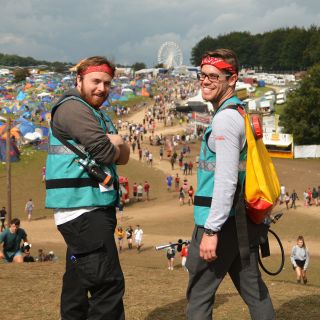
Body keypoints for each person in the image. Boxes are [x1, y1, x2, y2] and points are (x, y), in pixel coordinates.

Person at [186, 49, 275, 320]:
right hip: (241, 222)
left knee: (199, 298)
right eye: (203, 75)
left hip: (220, 223)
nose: (205, 81)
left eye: (214, 76)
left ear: (232, 79)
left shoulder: (224, 119)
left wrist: (211, 231)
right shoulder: (238, 112)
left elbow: (225, 181)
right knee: (255, 293)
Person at [45, 56, 130, 320]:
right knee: (107, 286)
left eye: (107, 84)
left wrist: (118, 141)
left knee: (78, 287)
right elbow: (106, 153)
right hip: (83, 211)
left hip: (91, 208)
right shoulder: (73, 108)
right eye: (96, 81)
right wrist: (115, 141)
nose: (102, 89)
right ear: (79, 79)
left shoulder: (98, 114)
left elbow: (123, 155)